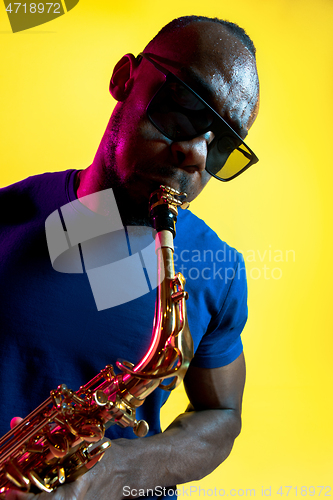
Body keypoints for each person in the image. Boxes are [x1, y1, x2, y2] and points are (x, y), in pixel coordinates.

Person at [0, 15, 260, 500]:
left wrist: (120, 469)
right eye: (185, 106)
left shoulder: (216, 270)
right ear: (125, 79)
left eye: (222, 145)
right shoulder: (8, 216)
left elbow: (221, 414)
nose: (197, 155)